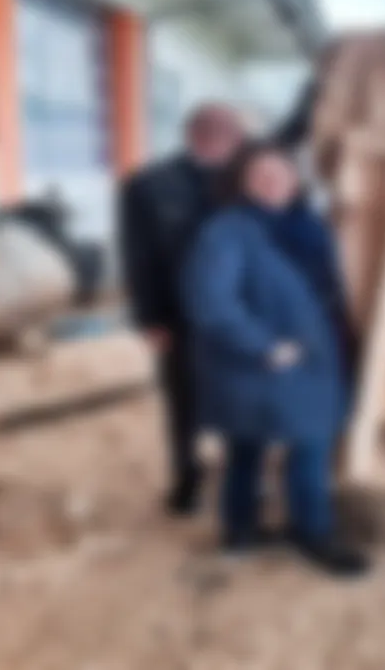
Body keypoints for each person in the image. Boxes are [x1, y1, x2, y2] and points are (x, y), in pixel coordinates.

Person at [182, 143, 367, 576]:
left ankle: (243, 529)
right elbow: (211, 302)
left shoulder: (308, 226)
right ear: (243, 182)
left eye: (282, 173)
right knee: (296, 444)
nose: (274, 182)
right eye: (261, 175)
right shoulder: (227, 230)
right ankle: (310, 533)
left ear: (296, 179)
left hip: (313, 357)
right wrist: (264, 346)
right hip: (264, 363)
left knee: (265, 445)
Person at [117, 103, 246, 514]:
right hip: (180, 316)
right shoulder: (150, 187)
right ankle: (188, 481)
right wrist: (151, 318)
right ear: (194, 135)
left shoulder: (250, 183)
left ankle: (241, 480)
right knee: (184, 403)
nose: (222, 140)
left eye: (229, 132)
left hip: (239, 318)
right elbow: (139, 257)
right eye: (213, 131)